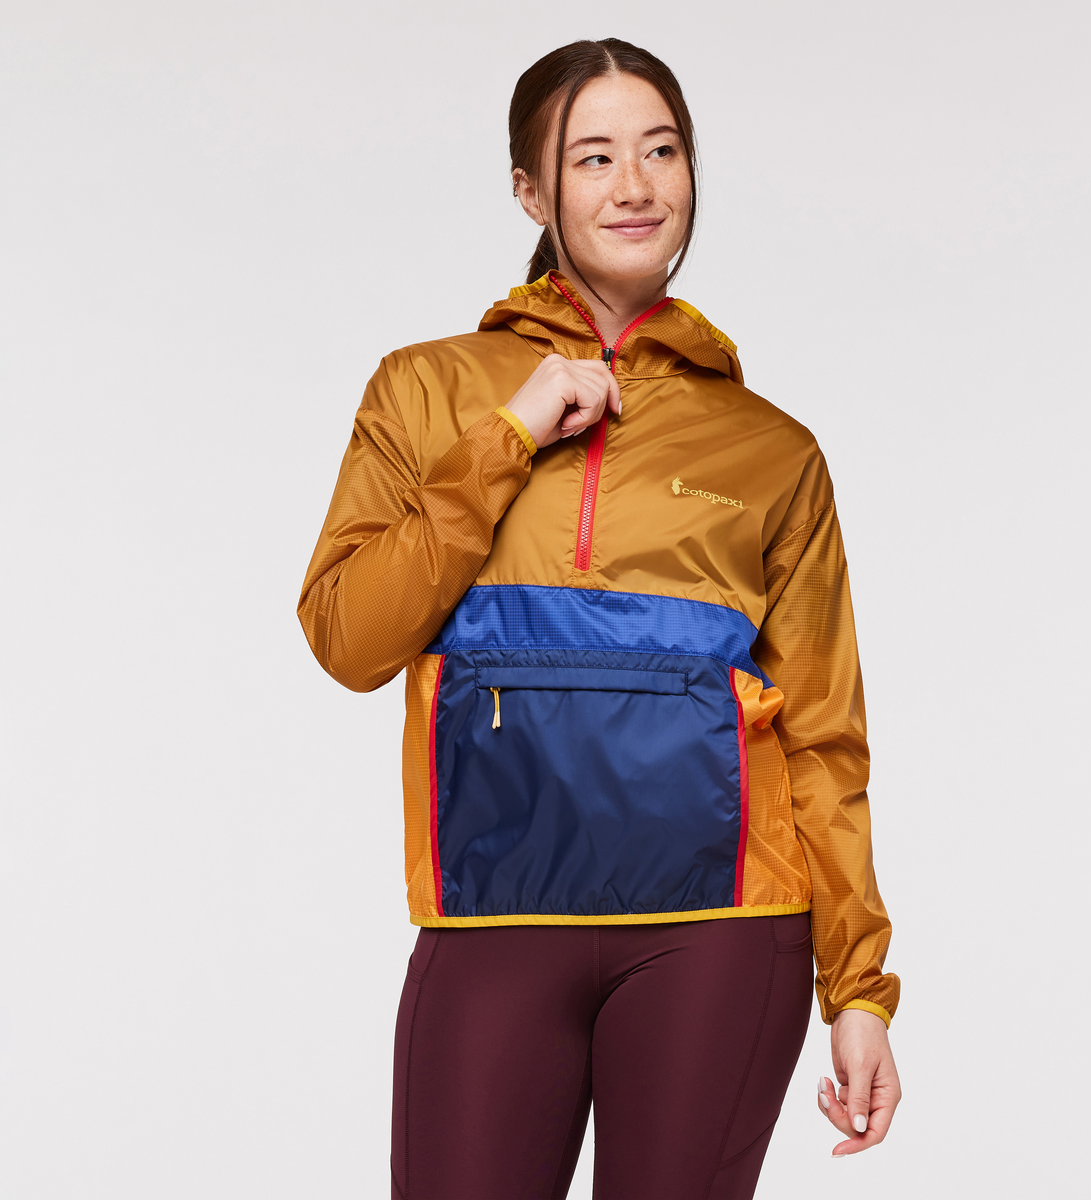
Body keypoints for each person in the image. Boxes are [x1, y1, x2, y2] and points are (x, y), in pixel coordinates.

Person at [298, 37, 901, 1200]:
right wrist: (506, 437)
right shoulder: (424, 391)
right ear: (531, 191)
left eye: (662, 151)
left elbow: (826, 736)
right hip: (491, 917)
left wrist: (860, 989)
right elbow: (348, 640)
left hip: (723, 932)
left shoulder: (771, 449)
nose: (636, 185)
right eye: (593, 157)